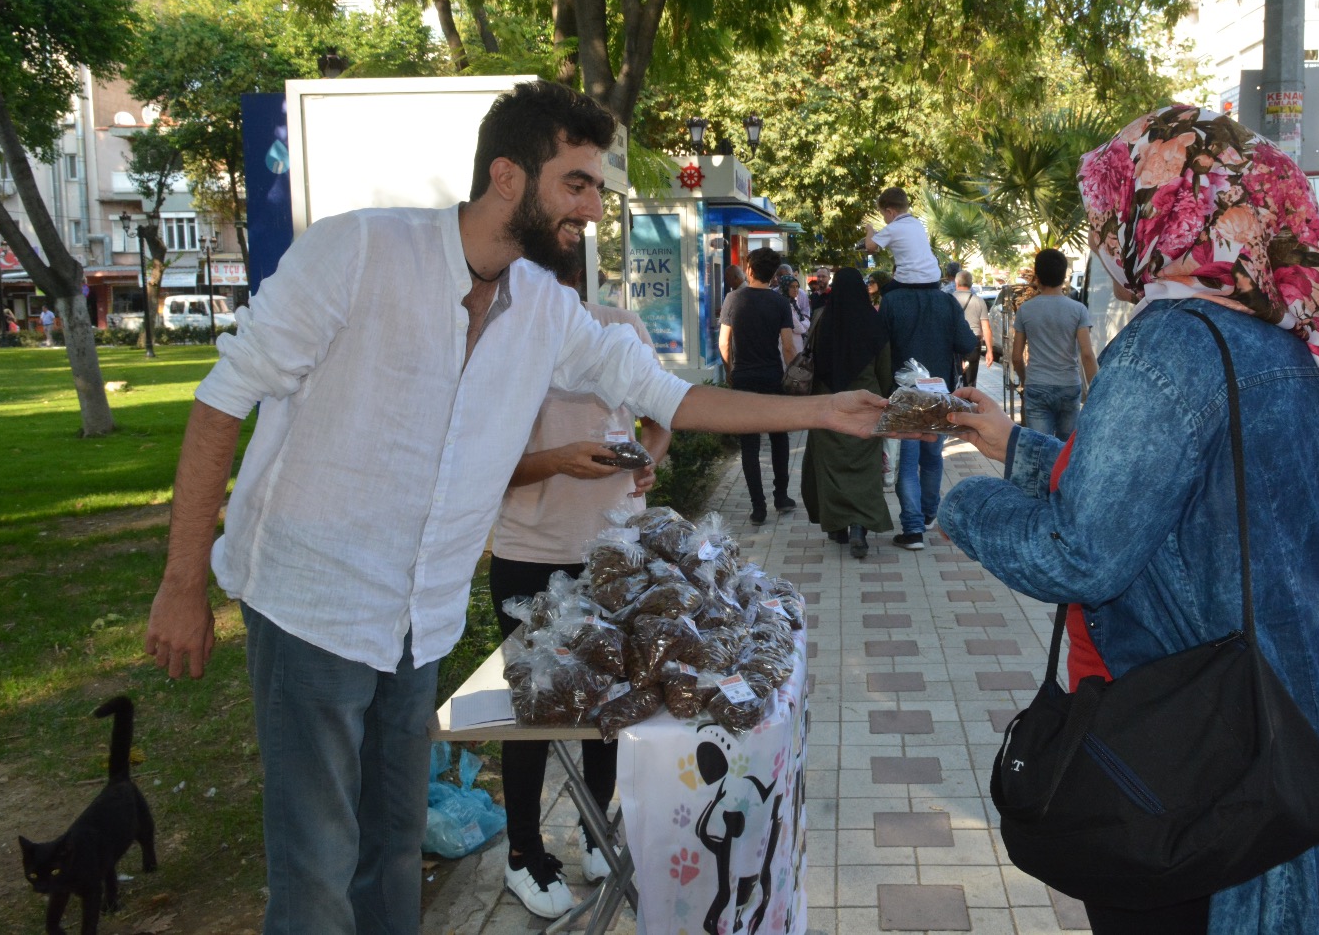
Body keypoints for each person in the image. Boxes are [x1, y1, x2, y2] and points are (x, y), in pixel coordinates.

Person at [142, 79, 889, 935]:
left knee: (391, 851)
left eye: (595, 188)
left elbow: (668, 397)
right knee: (315, 869)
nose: (593, 209)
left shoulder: (544, 307)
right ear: (507, 176)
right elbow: (221, 402)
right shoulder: (358, 251)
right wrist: (182, 583)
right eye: (577, 184)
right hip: (310, 604)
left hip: (417, 623)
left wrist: (822, 410)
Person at [939, 105, 1319, 935]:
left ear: (1162, 209)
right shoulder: (1288, 344)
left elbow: (1079, 554)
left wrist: (959, 501)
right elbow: (1180, 501)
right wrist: (1014, 447)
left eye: (1111, 208)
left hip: (1188, 752)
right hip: (1291, 728)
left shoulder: (1170, 343)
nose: (1106, 235)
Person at [488, 269, 669, 917]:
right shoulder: (501, 334)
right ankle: (522, 852)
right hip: (529, 555)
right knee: (533, 711)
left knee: (606, 703)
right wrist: (558, 459)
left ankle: (597, 830)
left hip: (614, 550)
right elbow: (483, 463)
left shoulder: (620, 326)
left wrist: (650, 457)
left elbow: (662, 415)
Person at [800, 268, 894, 558]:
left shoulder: (821, 318)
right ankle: (859, 527)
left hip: (827, 405)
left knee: (829, 468)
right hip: (865, 405)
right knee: (865, 470)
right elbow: (885, 369)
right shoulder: (873, 322)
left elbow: (811, 358)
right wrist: (883, 400)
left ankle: (837, 525)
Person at [877, 277, 977, 550]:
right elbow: (967, 343)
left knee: (908, 464)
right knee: (932, 457)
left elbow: (879, 346)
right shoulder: (947, 302)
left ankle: (912, 529)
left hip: (905, 393)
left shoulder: (892, 301)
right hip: (938, 392)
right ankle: (928, 513)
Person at [718, 246, 800, 525]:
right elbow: (788, 346)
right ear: (774, 274)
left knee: (749, 445)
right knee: (779, 438)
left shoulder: (733, 299)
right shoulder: (780, 303)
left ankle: (758, 507)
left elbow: (724, 343)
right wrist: (791, 377)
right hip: (772, 377)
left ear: (750, 270)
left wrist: (730, 371)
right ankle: (782, 496)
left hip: (744, 378)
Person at [1012, 248, 1097, 437]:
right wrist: (1097, 389)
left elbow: (1016, 357)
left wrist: (1026, 380)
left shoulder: (1025, 310)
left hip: (1037, 384)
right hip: (1069, 385)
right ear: (1064, 275)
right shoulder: (1078, 310)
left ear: (1037, 277)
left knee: (1039, 445)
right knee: (1066, 447)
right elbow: (1087, 354)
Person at [862, 187, 940, 286]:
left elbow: (870, 246)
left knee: (884, 290)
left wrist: (870, 230)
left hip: (910, 279)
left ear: (890, 212)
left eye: (883, 215)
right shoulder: (916, 223)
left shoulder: (892, 228)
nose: (884, 219)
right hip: (933, 278)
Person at [952, 270, 993, 388]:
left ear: (956, 283)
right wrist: (989, 351)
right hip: (973, 343)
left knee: (954, 380)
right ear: (971, 284)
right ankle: (969, 398)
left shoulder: (949, 299)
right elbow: (986, 327)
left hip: (953, 343)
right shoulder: (979, 301)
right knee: (970, 382)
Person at [778, 273, 810, 340]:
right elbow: (799, 329)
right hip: (788, 342)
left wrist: (804, 323)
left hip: (797, 342)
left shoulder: (794, 303)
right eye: (792, 287)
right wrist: (806, 324)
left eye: (797, 286)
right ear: (785, 288)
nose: (795, 289)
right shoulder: (784, 305)